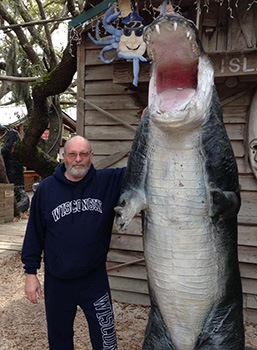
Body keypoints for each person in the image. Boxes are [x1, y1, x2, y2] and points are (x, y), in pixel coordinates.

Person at [22, 135, 126, 350]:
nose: (78, 159)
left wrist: (149, 125)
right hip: (58, 281)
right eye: (72, 154)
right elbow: (34, 234)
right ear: (63, 157)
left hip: (94, 279)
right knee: (59, 341)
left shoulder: (107, 182)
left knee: (106, 340)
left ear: (91, 156)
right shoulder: (46, 190)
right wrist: (30, 274)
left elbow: (141, 166)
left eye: (83, 154)